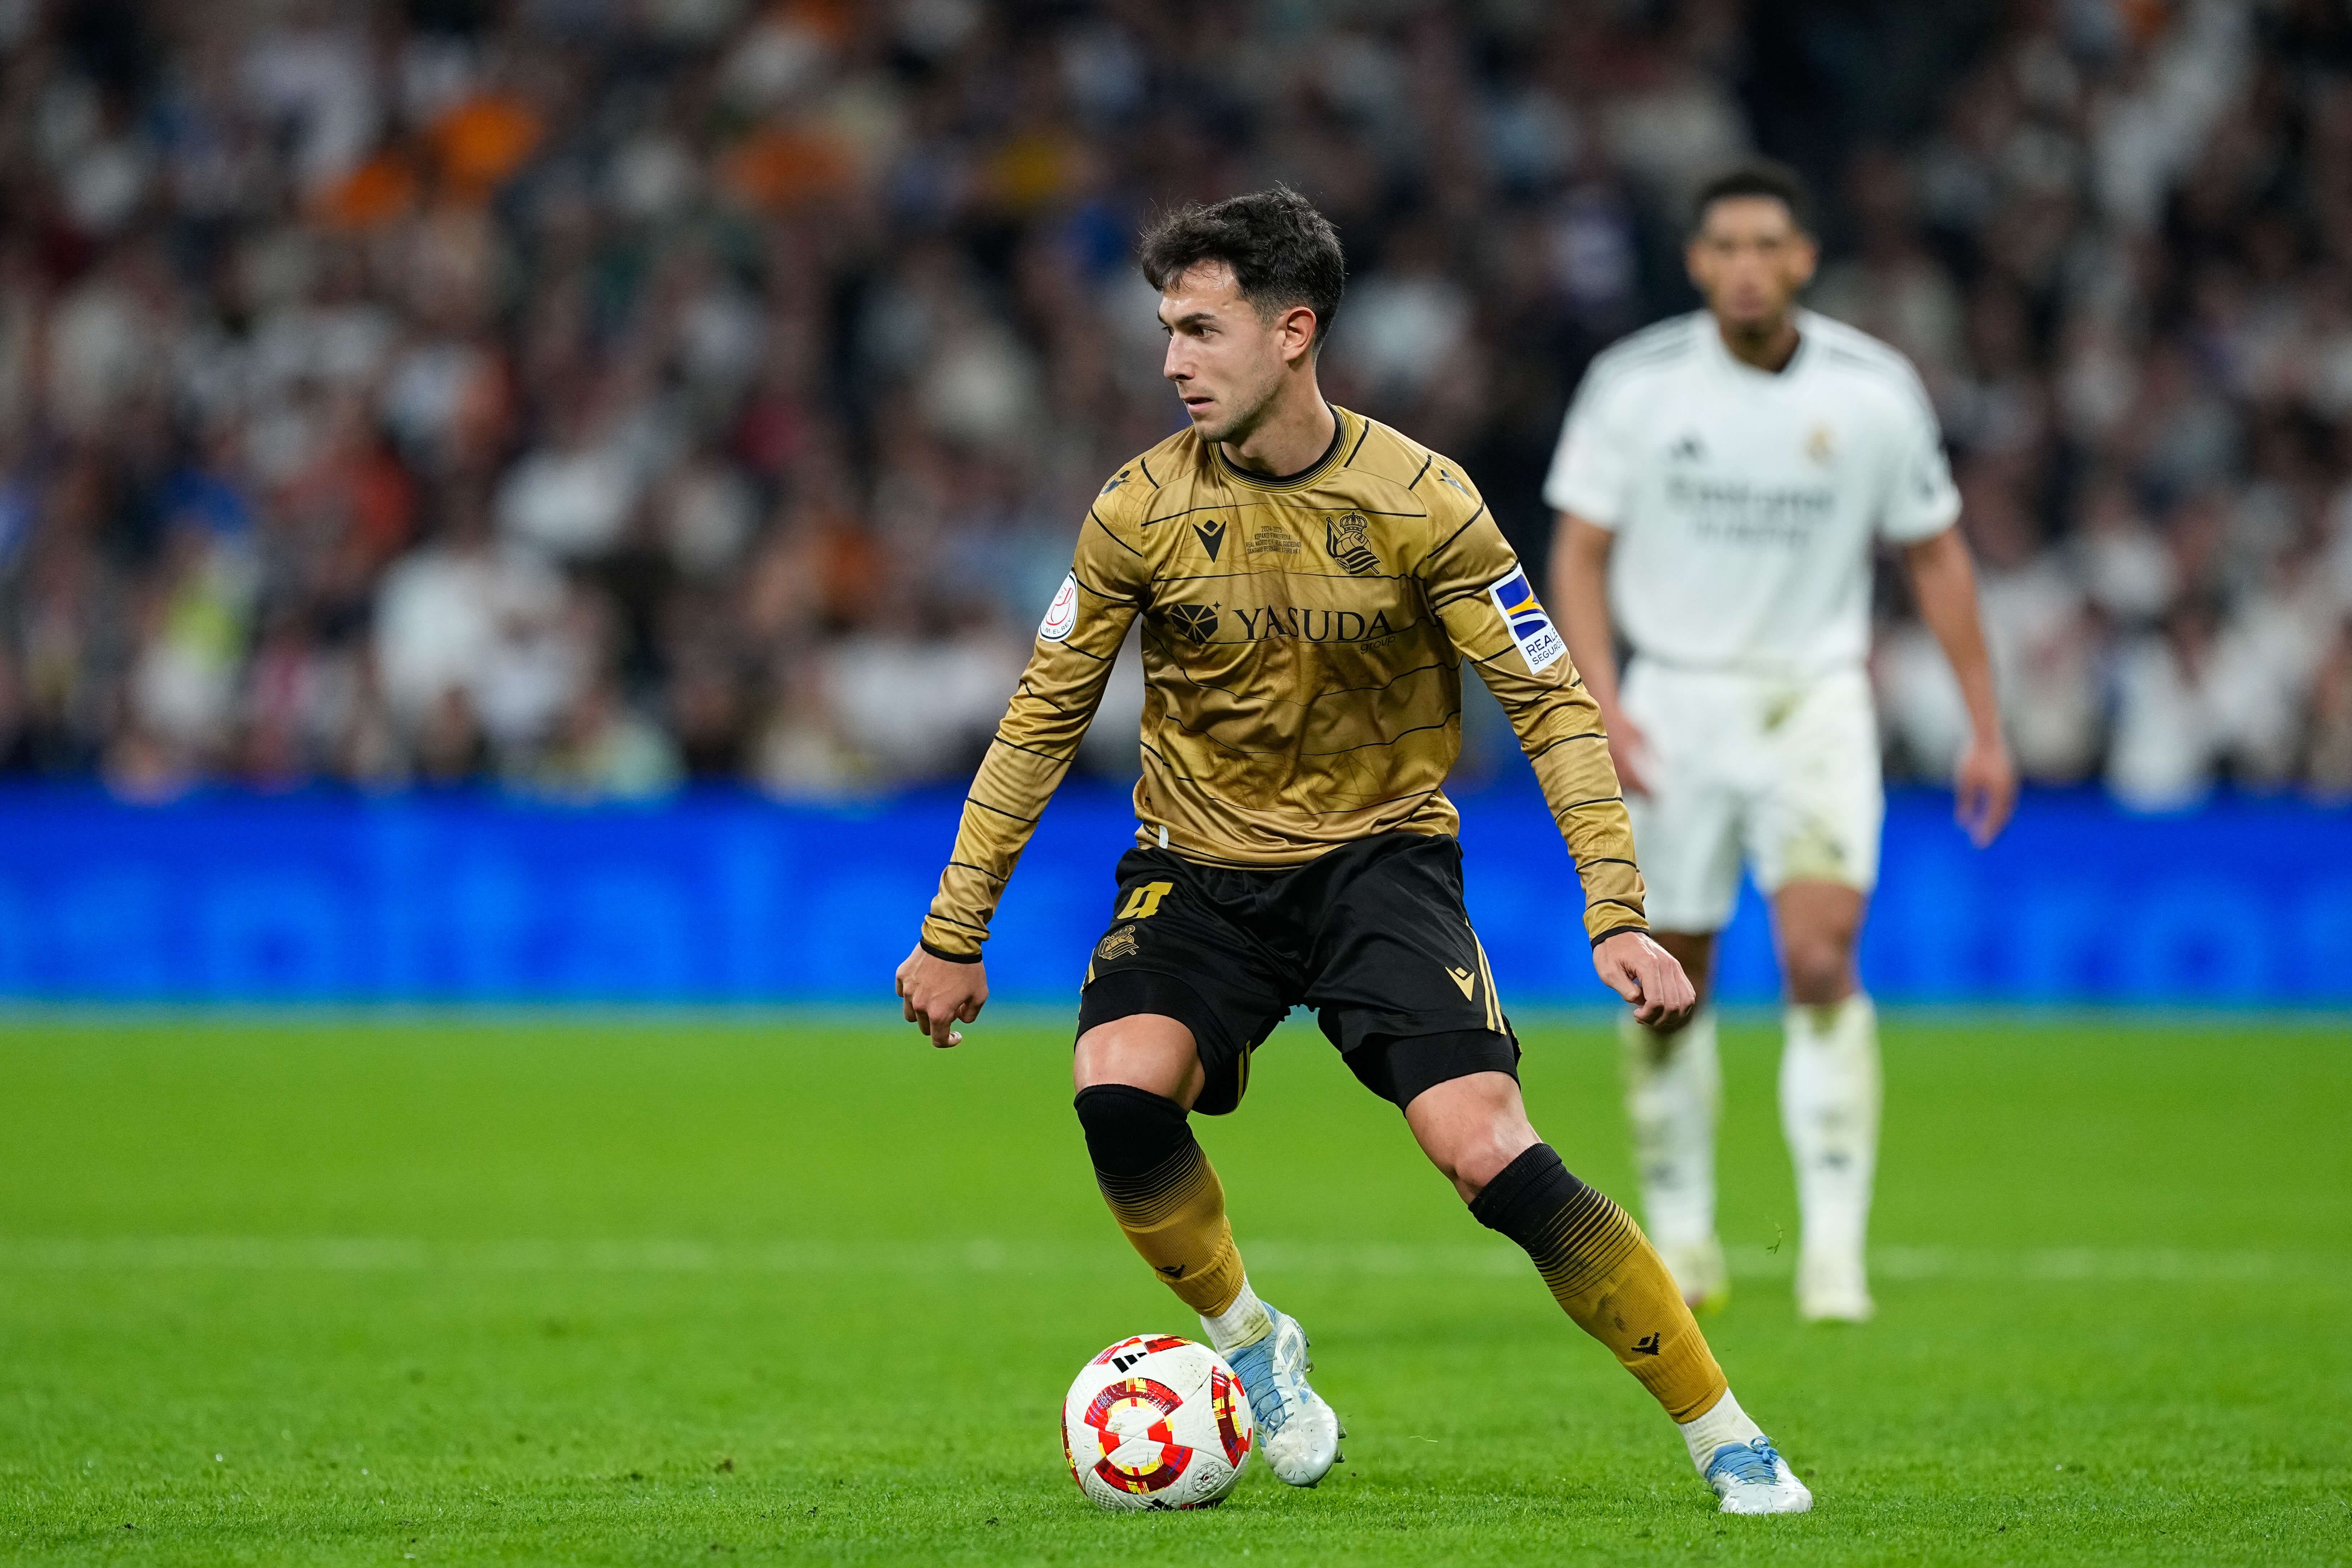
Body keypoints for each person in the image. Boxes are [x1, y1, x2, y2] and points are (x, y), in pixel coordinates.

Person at [896, 186, 1812, 1514]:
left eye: (1203, 331)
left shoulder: (1423, 500)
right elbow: (1042, 717)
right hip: (1196, 868)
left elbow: (1551, 703)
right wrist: (955, 926)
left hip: (1380, 864)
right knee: (1115, 1085)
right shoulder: (1138, 510)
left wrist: (1621, 911)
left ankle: (1726, 1432)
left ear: (1293, 333)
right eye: (1167, 331)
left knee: (1485, 1147)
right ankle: (1253, 1344)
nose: (1172, 362)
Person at [1546, 162, 2017, 1323]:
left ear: (1804, 258)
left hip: (1814, 698)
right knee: (1672, 980)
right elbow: (1580, 553)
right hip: (1675, 702)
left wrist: (1985, 722)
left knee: (1819, 957)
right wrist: (1599, 699)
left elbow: (1938, 551)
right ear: (1699, 263)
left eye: (1769, 244)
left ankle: (1833, 1255)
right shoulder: (1635, 385)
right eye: (1725, 247)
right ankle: (1688, 1232)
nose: (1747, 265)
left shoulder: (1874, 391)